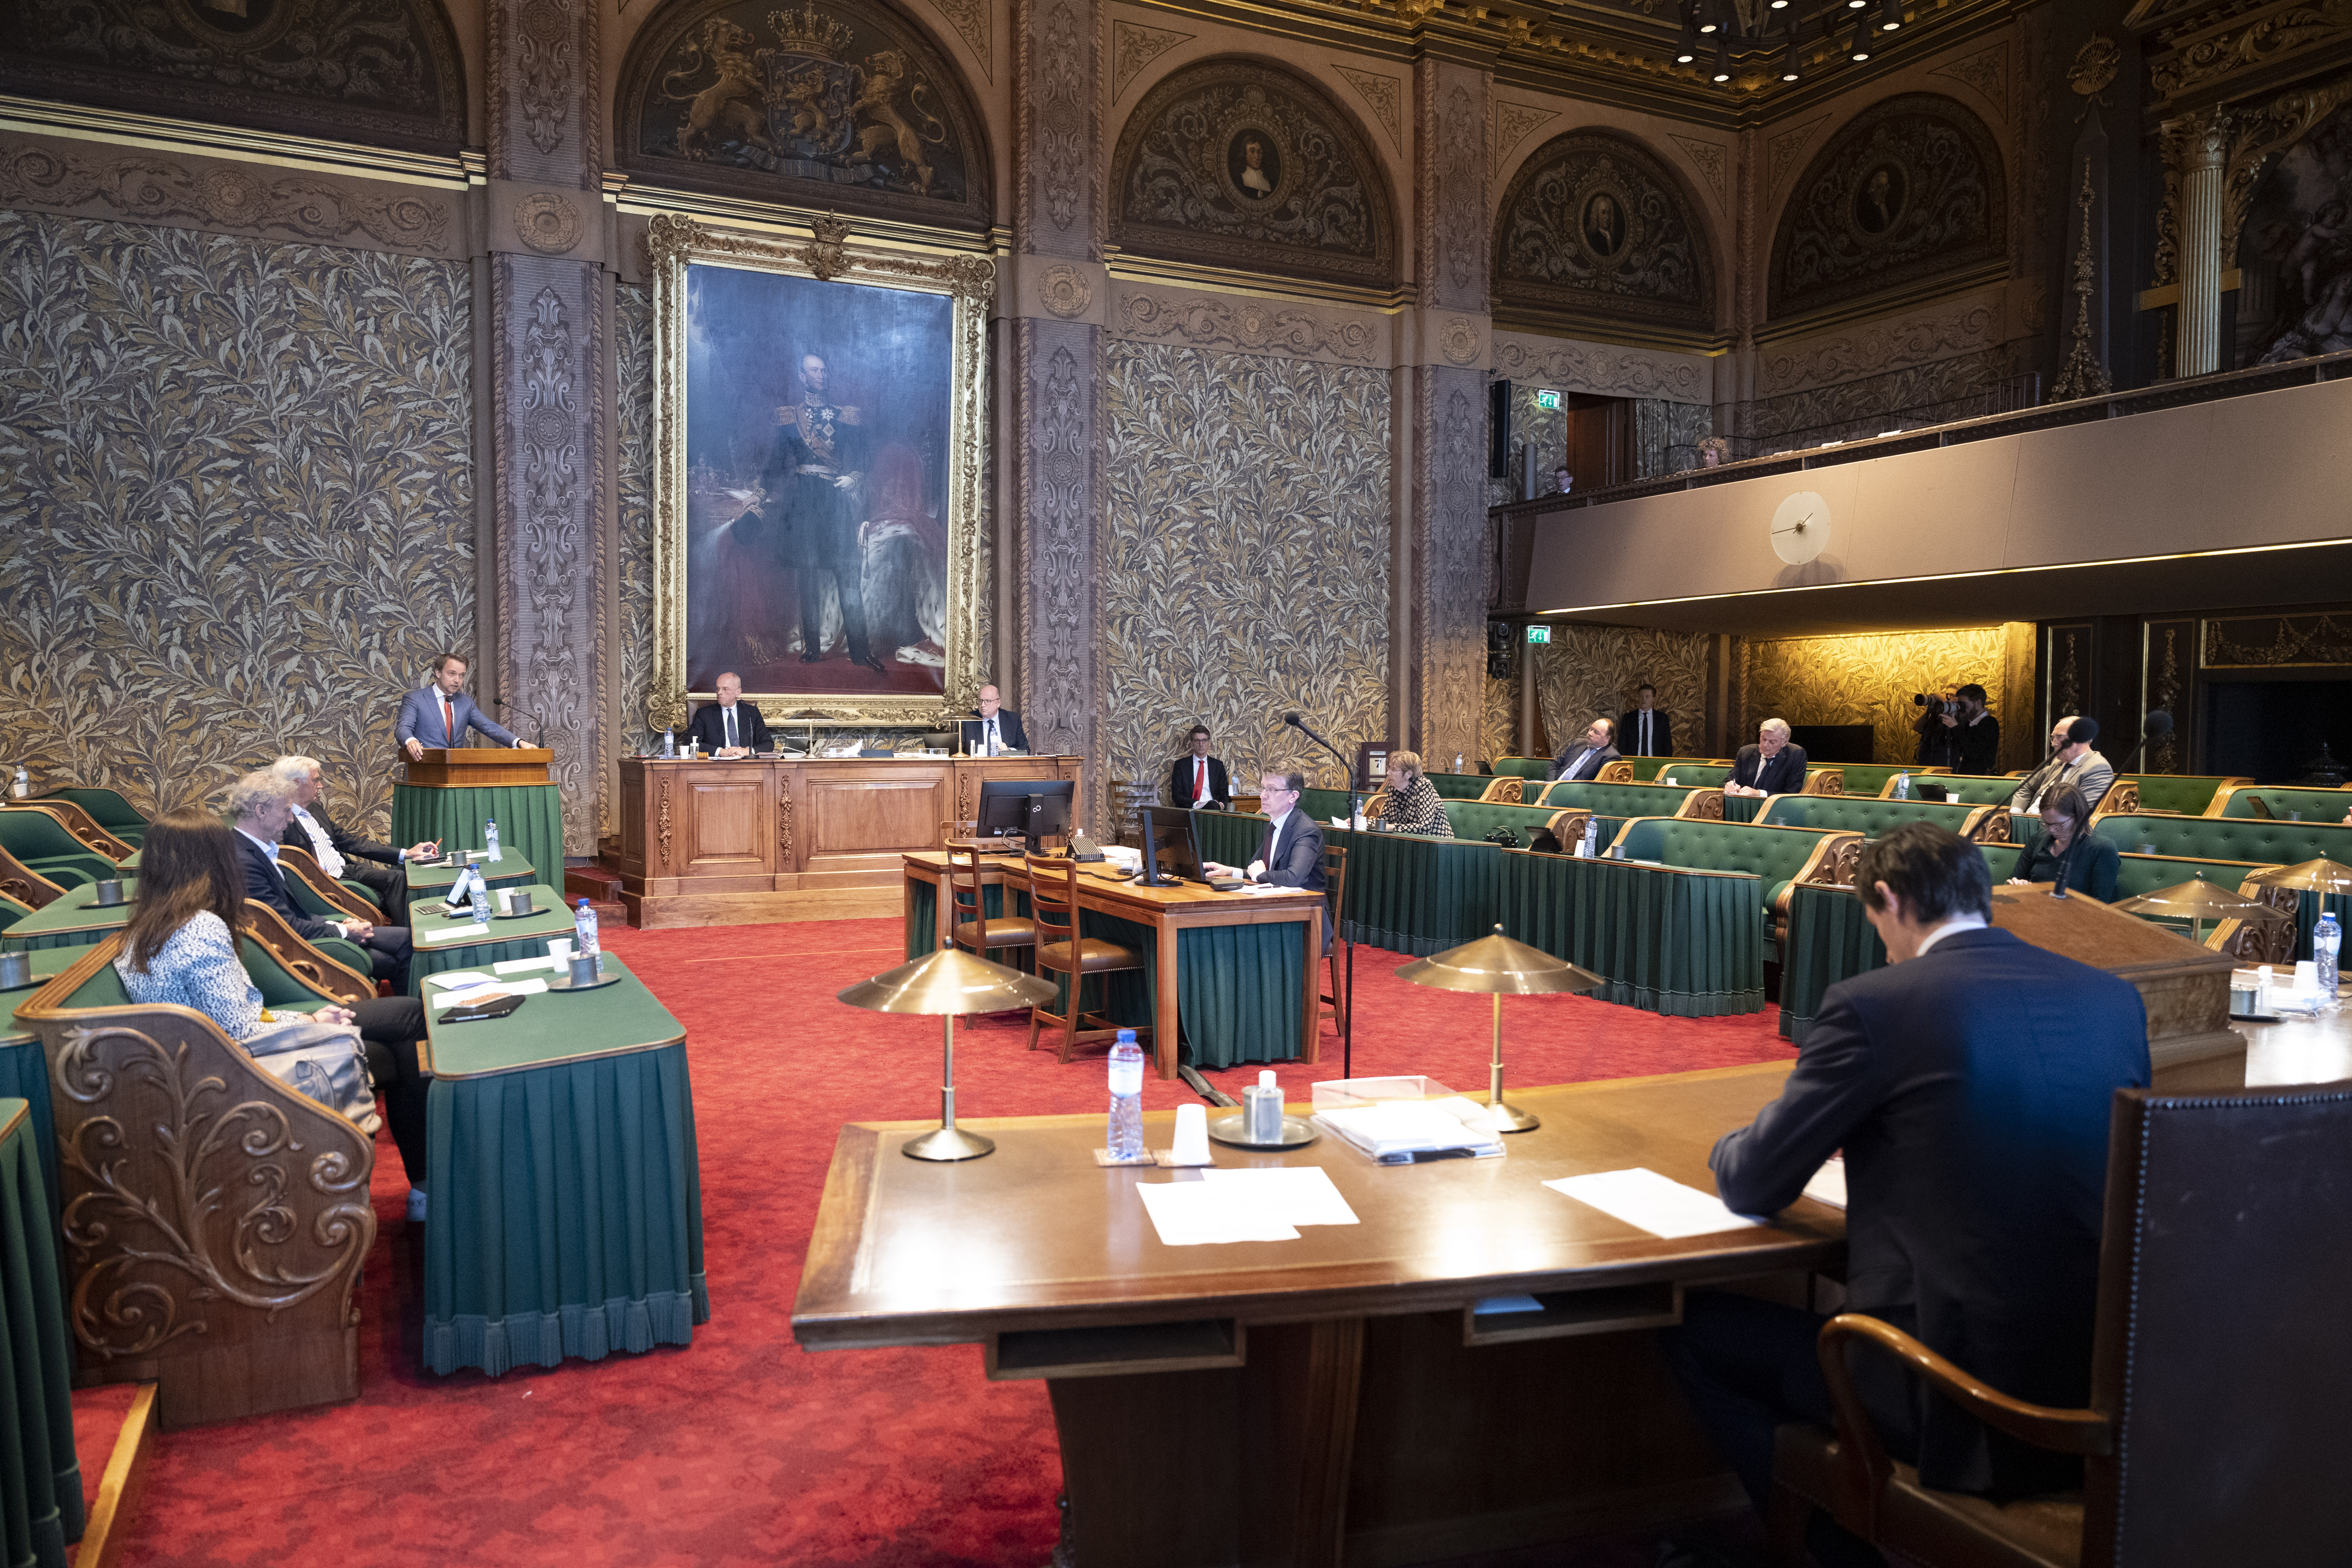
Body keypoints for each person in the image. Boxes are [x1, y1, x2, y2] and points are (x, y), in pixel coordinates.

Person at [1663, 823, 2149, 1566]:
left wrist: (1725, 1142)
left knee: (1694, 1335)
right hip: (2097, 1386)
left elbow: (1756, 1178)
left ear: (1887, 898)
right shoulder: (2113, 1000)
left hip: (1951, 1391)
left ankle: (1834, 1550)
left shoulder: (1877, 1004)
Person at [115, 808, 435, 1221]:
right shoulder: (199, 929)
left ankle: (424, 1189)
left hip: (200, 1067)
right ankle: (425, 1186)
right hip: (234, 1076)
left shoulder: (143, 926)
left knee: (401, 1027)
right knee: (406, 1022)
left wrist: (308, 1019)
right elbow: (238, 1030)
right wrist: (310, 1021)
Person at [751, 352, 884, 674]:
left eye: (825, 370)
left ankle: (861, 651)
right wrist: (759, 494)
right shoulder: (788, 418)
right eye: (815, 370)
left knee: (847, 573)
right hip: (802, 503)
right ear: (802, 375)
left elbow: (867, 455)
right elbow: (774, 462)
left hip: (834, 498)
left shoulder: (844, 416)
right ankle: (812, 648)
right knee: (808, 576)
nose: (822, 375)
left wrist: (854, 476)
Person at [228, 770, 413, 989]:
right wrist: (345, 932)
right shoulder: (243, 862)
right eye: (287, 811)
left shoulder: (254, 849)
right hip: (295, 953)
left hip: (304, 934)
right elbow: (283, 928)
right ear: (261, 811)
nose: (291, 819)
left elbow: (290, 915)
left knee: (409, 939)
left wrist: (339, 924)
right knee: (403, 950)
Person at [272, 756, 439, 923]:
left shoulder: (314, 809)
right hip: (326, 880)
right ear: (295, 784)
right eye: (316, 781)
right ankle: (407, 937)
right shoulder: (283, 820)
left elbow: (350, 842)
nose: (321, 785)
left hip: (346, 869)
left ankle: (411, 932)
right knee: (385, 899)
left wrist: (406, 854)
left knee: (397, 878)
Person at [1203, 764, 1327, 893]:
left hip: (1307, 909)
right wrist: (1230, 871)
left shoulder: (1306, 830)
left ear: (1293, 796)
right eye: (1263, 788)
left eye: (1272, 789)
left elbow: (1294, 878)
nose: (1263, 795)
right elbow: (1256, 871)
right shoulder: (1274, 825)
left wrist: (1260, 875)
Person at [395, 653, 525, 761]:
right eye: (452, 674)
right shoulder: (415, 698)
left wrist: (518, 742)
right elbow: (403, 728)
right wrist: (411, 741)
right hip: (422, 770)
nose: (457, 680)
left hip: (455, 773)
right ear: (438, 673)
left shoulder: (465, 703)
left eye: (462, 675)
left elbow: (490, 727)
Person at [2008, 784, 2118, 900]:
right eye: (2046, 823)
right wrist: (2017, 886)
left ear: (2079, 816)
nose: (2051, 830)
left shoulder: (2103, 849)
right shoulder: (2040, 838)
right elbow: (2012, 881)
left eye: (2059, 825)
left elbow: (2100, 905)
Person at [2008, 716, 2113, 814]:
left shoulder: (2097, 768)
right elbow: (2027, 785)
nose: (2054, 743)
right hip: (2027, 821)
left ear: (2079, 740)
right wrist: (2016, 814)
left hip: (2054, 829)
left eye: (2059, 737)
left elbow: (2080, 814)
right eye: (2053, 737)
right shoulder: (2059, 762)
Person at [1914, 683, 1999, 775]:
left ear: (1978, 703)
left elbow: (1973, 753)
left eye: (1964, 704)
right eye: (1959, 704)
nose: (1961, 708)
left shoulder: (1990, 723)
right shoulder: (1967, 724)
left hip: (1978, 780)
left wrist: (1955, 727)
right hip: (1963, 777)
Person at [686, 671, 770, 757]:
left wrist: (748, 751)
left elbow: (768, 743)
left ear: (738, 692)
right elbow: (690, 743)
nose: (719, 693)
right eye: (718, 689)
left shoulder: (751, 713)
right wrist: (721, 752)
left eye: (725, 689)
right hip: (716, 766)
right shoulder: (705, 714)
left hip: (747, 764)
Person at [1373, 751, 1454, 838]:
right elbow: (1383, 821)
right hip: (1409, 843)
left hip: (1437, 844)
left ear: (1408, 774)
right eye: (1388, 768)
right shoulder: (1393, 788)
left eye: (1393, 769)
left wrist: (1393, 827)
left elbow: (1425, 828)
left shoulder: (1423, 787)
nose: (1388, 773)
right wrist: (1361, 822)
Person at [1726, 718, 1806, 797]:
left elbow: (1792, 794)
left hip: (1774, 807)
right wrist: (1729, 786)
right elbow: (1728, 781)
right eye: (1763, 739)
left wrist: (1759, 794)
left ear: (1784, 742)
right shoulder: (1746, 752)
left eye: (1772, 742)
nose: (1765, 745)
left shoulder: (1795, 755)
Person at [1168, 724, 1230, 809]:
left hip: (1214, 810)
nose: (1201, 744)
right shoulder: (1181, 765)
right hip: (1191, 809)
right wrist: (1197, 804)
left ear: (1209, 742)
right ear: (1192, 743)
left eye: (1204, 740)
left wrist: (1221, 806)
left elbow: (1225, 795)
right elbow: (1176, 796)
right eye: (1197, 741)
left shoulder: (1218, 766)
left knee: (1213, 806)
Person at [958, 684, 1028, 756]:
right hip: (977, 765)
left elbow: (1026, 749)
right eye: (980, 701)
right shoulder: (968, 721)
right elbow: (958, 752)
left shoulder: (1013, 720)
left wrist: (1009, 751)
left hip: (1004, 766)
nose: (983, 705)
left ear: (998, 703)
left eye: (988, 701)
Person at [1548, 718, 1620, 782]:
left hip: (1576, 793)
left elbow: (1598, 785)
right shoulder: (1578, 743)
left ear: (1607, 738)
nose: (1590, 733)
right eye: (1591, 729)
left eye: (1596, 732)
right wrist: (1550, 784)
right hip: (1553, 786)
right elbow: (1555, 764)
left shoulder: (1610, 756)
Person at [1619, 684, 1674, 758]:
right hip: (1633, 760)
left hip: (1656, 761)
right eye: (1641, 696)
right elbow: (1622, 743)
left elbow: (1667, 744)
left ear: (1653, 699)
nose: (1644, 699)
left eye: (1647, 697)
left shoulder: (1662, 719)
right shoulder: (1629, 718)